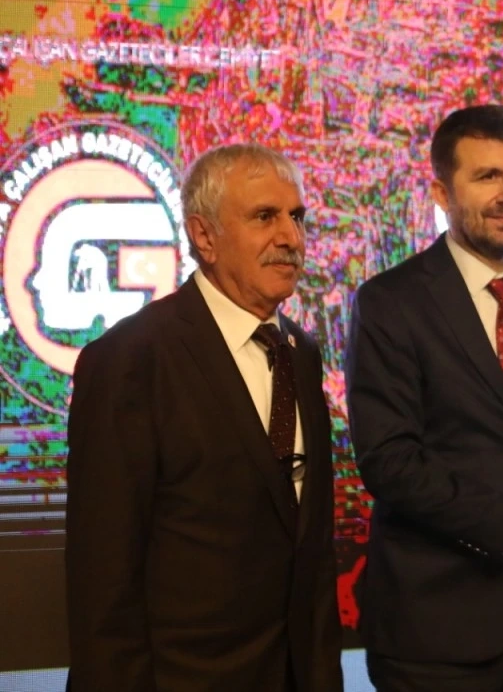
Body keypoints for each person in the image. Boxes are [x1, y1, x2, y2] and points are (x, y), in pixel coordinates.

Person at [65, 144, 342, 691]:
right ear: (204, 236)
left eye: (297, 217)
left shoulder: (302, 352)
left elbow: (306, 548)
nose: (290, 237)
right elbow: (103, 576)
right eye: (264, 216)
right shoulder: (130, 360)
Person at [346, 104, 503, 692]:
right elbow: (390, 461)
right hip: (436, 628)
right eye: (488, 176)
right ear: (441, 192)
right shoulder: (390, 302)